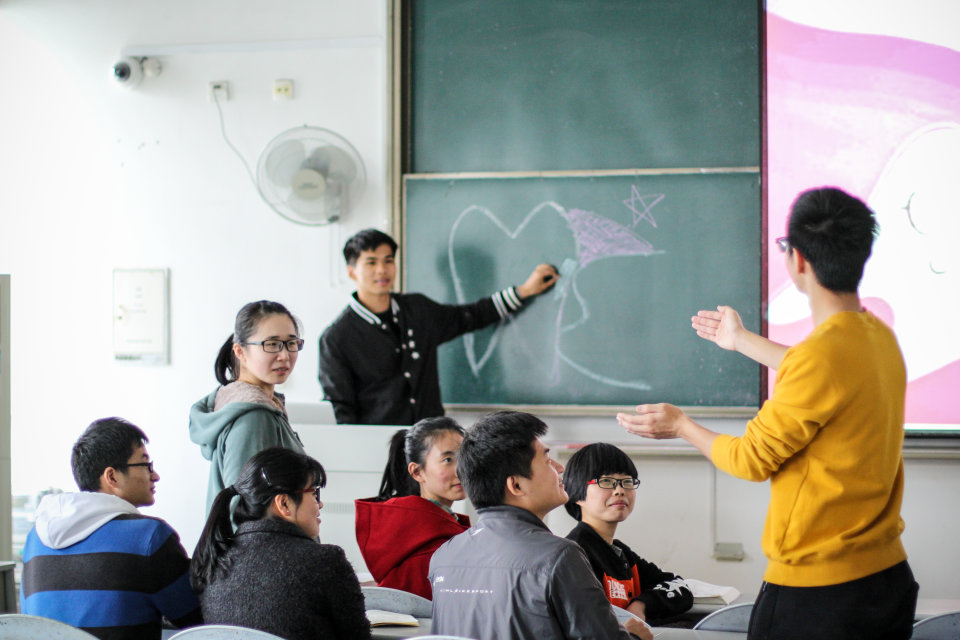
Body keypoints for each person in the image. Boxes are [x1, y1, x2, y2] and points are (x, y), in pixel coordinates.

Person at [617, 187, 919, 640]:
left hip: (821, 592)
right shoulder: (878, 336)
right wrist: (740, 340)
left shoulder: (820, 359)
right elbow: (822, 370)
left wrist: (681, 425)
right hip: (886, 577)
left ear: (798, 261)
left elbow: (750, 460)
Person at [428, 411, 651, 640]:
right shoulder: (558, 557)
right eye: (547, 460)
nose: (560, 468)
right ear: (516, 485)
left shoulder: (443, 556)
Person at [318, 228, 559, 425]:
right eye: (371, 262)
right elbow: (341, 410)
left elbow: (472, 315)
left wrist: (524, 291)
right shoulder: (337, 338)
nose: (382, 270)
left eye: (388, 260)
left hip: (431, 444)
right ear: (352, 272)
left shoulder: (417, 310)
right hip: (379, 447)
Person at [20, 418, 201, 639]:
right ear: (112, 476)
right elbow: (197, 619)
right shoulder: (148, 537)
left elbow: (29, 623)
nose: (155, 475)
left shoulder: (35, 539)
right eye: (146, 465)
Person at [190, 447, 370, 640]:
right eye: (314, 493)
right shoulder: (325, 561)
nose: (320, 504)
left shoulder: (215, 560)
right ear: (284, 503)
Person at [190, 300, 306, 512]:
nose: (284, 355)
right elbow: (241, 507)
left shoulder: (260, 405)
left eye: (291, 343)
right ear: (240, 351)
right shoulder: (253, 417)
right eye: (272, 344)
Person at [563, 442, 693, 625]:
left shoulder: (621, 553)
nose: (619, 490)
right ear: (576, 492)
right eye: (606, 482)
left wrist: (641, 605)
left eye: (627, 481)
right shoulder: (574, 554)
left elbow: (678, 586)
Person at [355, 417, 471, 599]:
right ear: (417, 472)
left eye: (465, 457)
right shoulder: (432, 549)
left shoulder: (429, 528)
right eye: (448, 460)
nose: (462, 469)